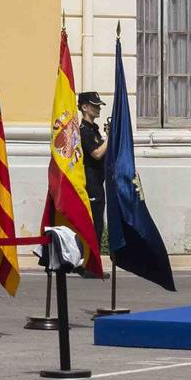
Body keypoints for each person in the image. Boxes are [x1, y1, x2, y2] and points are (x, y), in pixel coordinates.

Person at [78, 91, 108, 271]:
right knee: (94, 224)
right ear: (84, 107)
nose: (98, 109)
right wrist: (109, 139)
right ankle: (89, 264)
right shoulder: (84, 131)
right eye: (94, 105)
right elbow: (96, 154)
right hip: (91, 183)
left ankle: (90, 262)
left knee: (97, 224)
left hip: (98, 181)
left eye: (98, 105)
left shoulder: (94, 130)